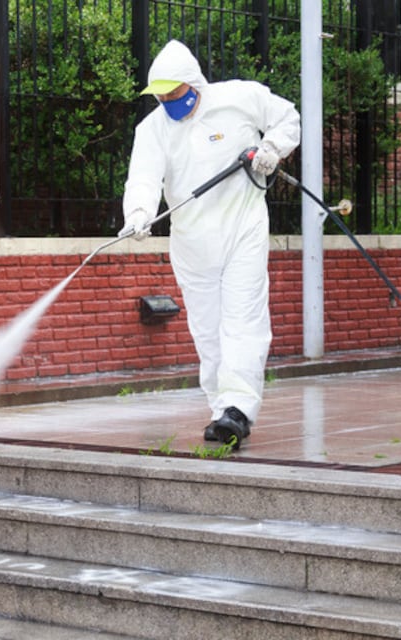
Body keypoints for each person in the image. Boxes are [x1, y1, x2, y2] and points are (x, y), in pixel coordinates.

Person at [121, 40, 301, 450]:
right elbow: (143, 178)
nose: (168, 102)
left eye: (174, 93)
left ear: (194, 83)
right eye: (161, 96)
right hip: (192, 242)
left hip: (242, 230)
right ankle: (221, 409)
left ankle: (238, 410)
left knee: (242, 320)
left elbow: (287, 117)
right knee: (207, 330)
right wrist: (138, 213)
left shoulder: (239, 97)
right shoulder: (152, 130)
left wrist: (271, 149)